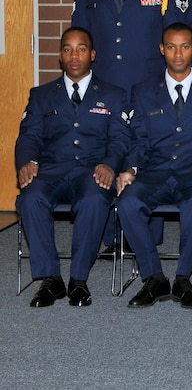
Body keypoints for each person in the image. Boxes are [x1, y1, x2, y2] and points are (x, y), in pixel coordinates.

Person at [115, 23, 192, 309]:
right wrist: (130, 169)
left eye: (184, 46)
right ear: (161, 50)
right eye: (171, 46)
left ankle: (182, 278)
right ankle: (154, 277)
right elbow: (138, 140)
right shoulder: (142, 91)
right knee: (127, 201)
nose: (177, 54)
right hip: (155, 172)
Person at [15, 27, 130, 307]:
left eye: (81, 49)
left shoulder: (114, 95)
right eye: (67, 49)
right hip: (52, 171)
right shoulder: (41, 95)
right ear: (59, 56)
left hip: (92, 171)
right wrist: (27, 162)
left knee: (94, 198)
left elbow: (120, 139)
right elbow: (28, 136)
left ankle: (78, 280)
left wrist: (110, 165)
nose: (74, 55)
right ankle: (51, 279)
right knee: (29, 198)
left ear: (92, 54)